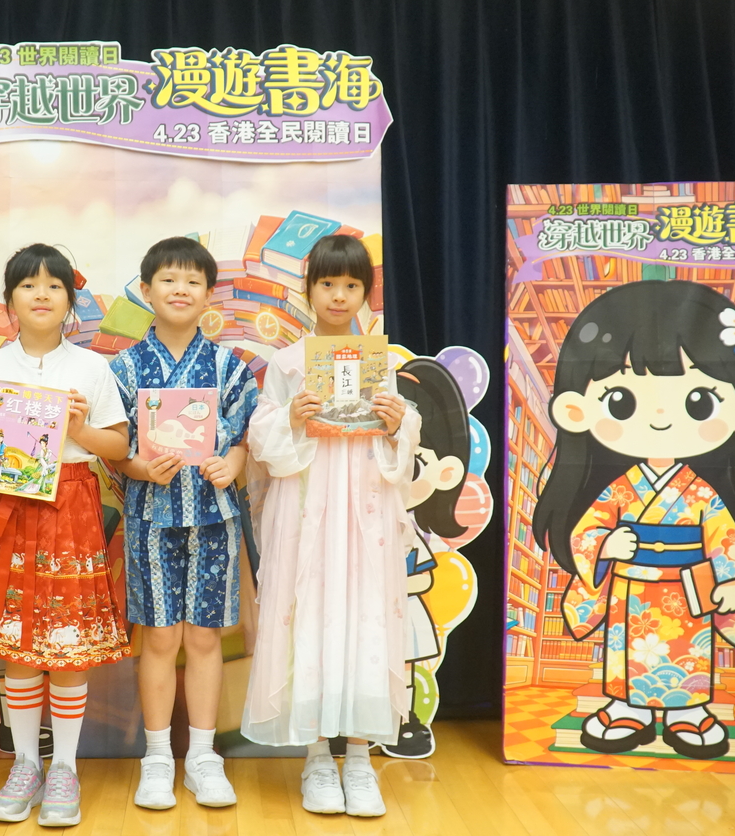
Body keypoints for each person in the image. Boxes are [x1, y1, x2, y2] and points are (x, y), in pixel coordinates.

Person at [533, 279, 735, 761]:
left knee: (689, 652)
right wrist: (605, 546)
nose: (662, 417)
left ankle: (688, 711)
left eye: (699, 401)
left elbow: (723, 537)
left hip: (690, 587)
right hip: (630, 589)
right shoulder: (621, 489)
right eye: (622, 401)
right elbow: (590, 529)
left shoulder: (702, 493)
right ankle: (627, 708)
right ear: (576, 409)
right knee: (628, 653)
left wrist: (732, 581)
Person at [0, 244, 131, 826]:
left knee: (67, 643)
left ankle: (65, 768)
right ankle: (25, 764)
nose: (41, 294)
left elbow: (119, 446)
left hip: (71, 508)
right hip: (7, 511)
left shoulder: (91, 367)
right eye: (28, 285)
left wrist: (80, 428)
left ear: (70, 300)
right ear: (10, 300)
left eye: (54, 285)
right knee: (16, 642)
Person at [242, 234, 419, 817]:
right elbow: (263, 440)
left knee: (366, 618)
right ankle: (318, 758)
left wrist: (397, 423)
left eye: (351, 285)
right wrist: (290, 419)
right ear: (309, 290)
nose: (338, 296)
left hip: (364, 509)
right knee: (310, 617)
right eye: (327, 284)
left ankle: (361, 758)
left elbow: (401, 443)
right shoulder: (289, 364)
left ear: (365, 294)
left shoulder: (381, 364)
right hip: (308, 509)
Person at [109, 237, 259, 809]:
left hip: (213, 518)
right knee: (159, 637)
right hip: (150, 519)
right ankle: (155, 758)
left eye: (193, 281)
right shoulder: (124, 369)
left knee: (202, 637)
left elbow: (245, 439)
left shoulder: (229, 367)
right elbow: (115, 447)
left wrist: (233, 465)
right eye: (168, 280)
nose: (180, 289)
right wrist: (137, 466)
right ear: (147, 291)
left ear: (208, 295)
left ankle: (201, 756)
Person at [384, 358, 473, 758]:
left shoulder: (406, 530)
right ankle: (357, 724)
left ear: (446, 472)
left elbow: (422, 577)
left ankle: (404, 721)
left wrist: (394, 583)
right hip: (367, 609)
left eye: (414, 462)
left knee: (403, 667)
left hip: (402, 609)